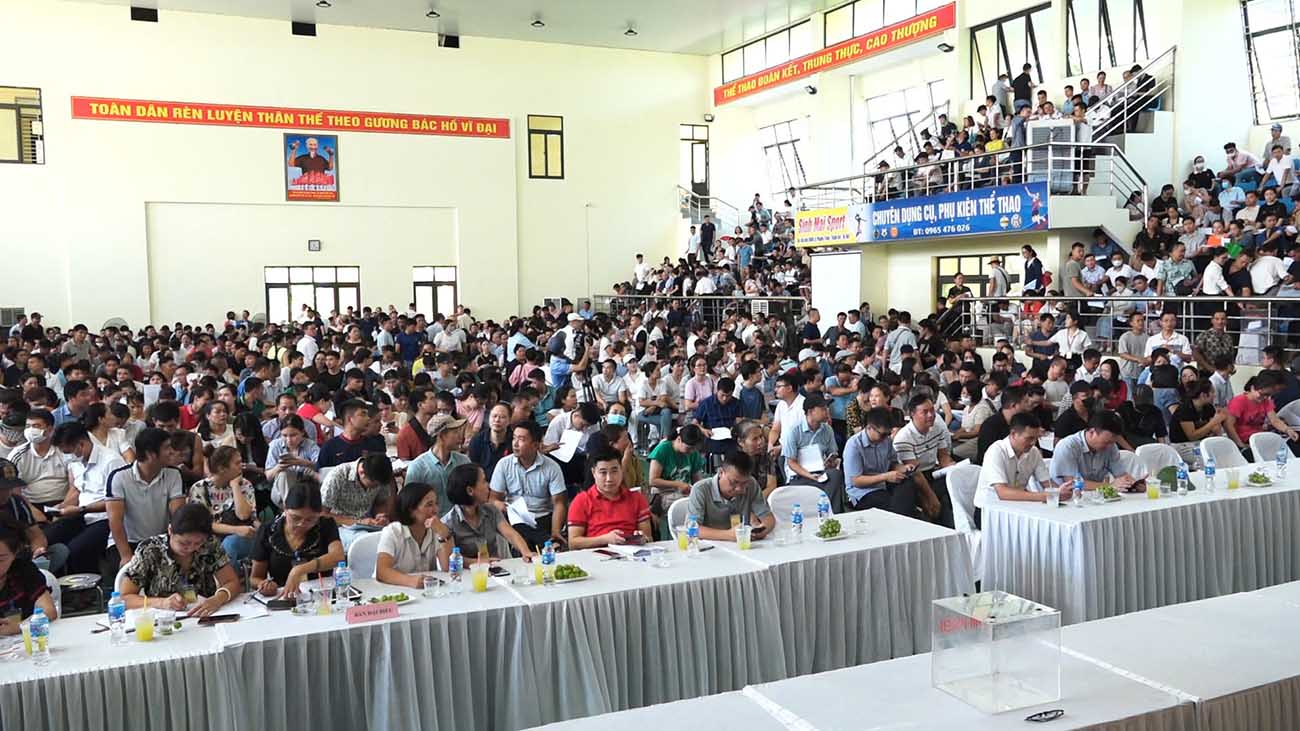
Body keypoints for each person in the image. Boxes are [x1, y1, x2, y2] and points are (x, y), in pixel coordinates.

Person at [119, 503, 241, 617]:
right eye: (184, 543)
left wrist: (217, 599)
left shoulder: (209, 545)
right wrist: (161, 603)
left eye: (198, 543)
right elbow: (125, 598)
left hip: (203, 616)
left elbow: (232, 582)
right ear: (170, 530)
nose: (191, 548)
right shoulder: (150, 550)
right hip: (164, 620)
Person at [105, 427, 186, 568]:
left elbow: (178, 515)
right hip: (127, 542)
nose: (172, 452)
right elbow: (115, 521)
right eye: (167, 447)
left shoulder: (174, 475)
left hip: (161, 541)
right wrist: (126, 556)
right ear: (150, 454)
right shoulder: (119, 477)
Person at [251, 485, 345, 599]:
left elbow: (338, 557)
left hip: (321, 595)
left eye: (310, 519)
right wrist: (264, 585)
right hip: (284, 596)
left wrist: (300, 570)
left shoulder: (325, 525)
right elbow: (255, 578)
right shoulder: (268, 531)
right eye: (295, 518)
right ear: (285, 509)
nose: (302, 524)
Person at [974, 413, 1068, 523]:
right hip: (989, 512)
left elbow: (1047, 483)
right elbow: (1003, 492)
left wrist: (1062, 491)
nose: (1033, 443)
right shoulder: (996, 451)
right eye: (1029, 438)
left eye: (1036, 438)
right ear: (1013, 434)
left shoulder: (1033, 452)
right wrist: (1045, 496)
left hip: (1019, 507)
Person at [489, 421, 568, 548]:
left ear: (536, 445)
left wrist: (555, 531)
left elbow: (559, 503)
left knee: (527, 529)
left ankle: (546, 540)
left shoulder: (552, 467)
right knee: (516, 524)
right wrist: (500, 505)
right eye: (514, 438)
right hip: (513, 516)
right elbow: (493, 498)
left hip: (541, 517)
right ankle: (547, 542)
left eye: (521, 439)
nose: (515, 443)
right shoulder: (504, 464)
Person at [441, 464, 534, 561]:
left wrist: (525, 551)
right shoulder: (448, 523)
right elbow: (451, 559)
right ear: (470, 490)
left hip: (495, 569)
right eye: (484, 481)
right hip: (467, 573)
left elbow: (511, 534)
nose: (488, 485)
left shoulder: (491, 510)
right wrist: (479, 562)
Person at [566, 447, 653, 549]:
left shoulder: (637, 498)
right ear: (594, 473)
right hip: (595, 556)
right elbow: (573, 543)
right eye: (603, 472)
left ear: (621, 469)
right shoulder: (581, 501)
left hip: (632, 554)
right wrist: (605, 539)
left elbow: (649, 537)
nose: (609, 478)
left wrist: (643, 538)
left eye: (614, 471)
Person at [187, 445, 257, 566]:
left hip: (242, 536)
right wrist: (235, 530)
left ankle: (230, 582)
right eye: (237, 463)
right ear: (222, 468)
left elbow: (244, 515)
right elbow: (202, 524)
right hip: (210, 536)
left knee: (230, 544)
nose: (242, 466)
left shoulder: (245, 485)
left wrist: (235, 486)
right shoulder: (199, 488)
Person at [893, 394, 954, 527]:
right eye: (925, 412)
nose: (931, 415)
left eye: (932, 410)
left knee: (955, 485)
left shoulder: (937, 428)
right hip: (915, 478)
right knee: (941, 499)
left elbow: (943, 457)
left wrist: (952, 469)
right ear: (912, 414)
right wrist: (931, 497)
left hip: (934, 473)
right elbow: (915, 472)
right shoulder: (904, 437)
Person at [686, 450, 775, 541]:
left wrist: (761, 530)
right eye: (734, 482)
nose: (739, 488)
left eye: (744, 483)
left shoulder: (751, 484)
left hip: (742, 545)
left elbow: (768, 517)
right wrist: (728, 535)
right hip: (710, 547)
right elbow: (693, 529)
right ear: (721, 472)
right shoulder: (701, 489)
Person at [843, 407, 917, 515]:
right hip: (862, 493)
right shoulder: (854, 445)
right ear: (869, 428)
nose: (885, 438)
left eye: (888, 434)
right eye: (882, 434)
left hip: (884, 484)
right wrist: (886, 476)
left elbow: (892, 463)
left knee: (909, 484)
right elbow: (856, 481)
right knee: (891, 503)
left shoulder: (886, 441)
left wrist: (903, 468)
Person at [375, 482, 448, 588]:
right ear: (411, 510)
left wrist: (444, 534)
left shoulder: (435, 529)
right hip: (393, 590)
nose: (436, 510)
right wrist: (412, 581)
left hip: (426, 592)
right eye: (429, 505)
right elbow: (382, 572)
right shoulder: (393, 532)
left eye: (436, 504)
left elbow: (448, 568)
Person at [0, 457, 65, 574]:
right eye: (2, 488)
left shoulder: (16, 502)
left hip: (18, 557)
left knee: (59, 550)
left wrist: (38, 551)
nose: (7, 492)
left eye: (10, 488)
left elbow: (35, 535)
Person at [319, 452, 396, 552]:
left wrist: (380, 515)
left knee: (394, 538)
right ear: (362, 472)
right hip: (341, 526)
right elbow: (322, 514)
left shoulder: (380, 477)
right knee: (368, 543)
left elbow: (380, 502)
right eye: (374, 485)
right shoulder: (338, 476)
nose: (376, 487)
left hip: (369, 523)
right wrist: (357, 522)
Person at [781, 394, 845, 510]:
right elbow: (791, 462)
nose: (827, 412)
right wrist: (810, 476)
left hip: (820, 472)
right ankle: (824, 509)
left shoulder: (827, 430)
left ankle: (831, 513)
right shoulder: (794, 430)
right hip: (800, 475)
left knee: (835, 475)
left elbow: (833, 453)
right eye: (823, 409)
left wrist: (831, 461)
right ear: (810, 412)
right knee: (824, 485)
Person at [1049, 412, 1142, 491]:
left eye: (1113, 442)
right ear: (1092, 432)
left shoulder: (1111, 446)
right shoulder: (1068, 446)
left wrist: (1134, 484)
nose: (1110, 446)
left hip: (1096, 497)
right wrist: (1110, 486)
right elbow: (1072, 483)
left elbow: (1121, 475)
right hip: (1067, 499)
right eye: (1106, 442)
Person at [0, 514, 58, 631]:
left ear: (15, 553)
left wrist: (20, 627)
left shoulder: (23, 571)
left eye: (0, 559)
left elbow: (49, 611)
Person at [404, 413, 470, 508]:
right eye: (455, 432)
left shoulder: (464, 461)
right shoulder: (417, 467)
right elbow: (409, 503)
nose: (460, 436)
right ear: (442, 436)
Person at [1226, 371, 1300, 454]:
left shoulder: (1266, 401)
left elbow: (1274, 420)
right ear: (1252, 388)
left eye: (1268, 395)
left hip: (1259, 438)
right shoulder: (1239, 401)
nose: (1264, 397)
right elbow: (1229, 425)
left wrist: (1288, 430)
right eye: (1262, 394)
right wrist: (1240, 444)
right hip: (1244, 440)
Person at [264, 414, 321, 508]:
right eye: (284, 435)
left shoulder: (310, 445)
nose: (289, 440)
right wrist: (279, 467)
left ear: (302, 432)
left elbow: (321, 467)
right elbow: (268, 476)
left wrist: (302, 462)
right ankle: (290, 509)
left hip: (305, 488)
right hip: (280, 493)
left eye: (293, 435)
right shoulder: (275, 445)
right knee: (284, 474)